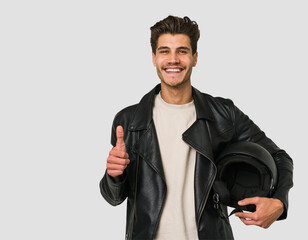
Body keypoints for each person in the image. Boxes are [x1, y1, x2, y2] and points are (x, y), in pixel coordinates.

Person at [100, 15, 294, 240]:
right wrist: (114, 176)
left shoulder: (223, 114)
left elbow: (280, 157)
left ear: (195, 58)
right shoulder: (129, 120)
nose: (173, 60)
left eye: (182, 51)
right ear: (154, 58)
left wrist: (279, 202)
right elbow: (113, 198)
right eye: (164, 51)